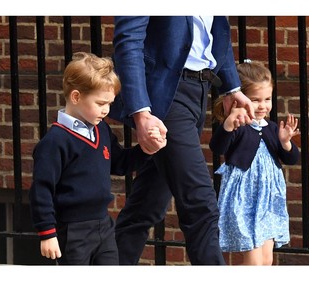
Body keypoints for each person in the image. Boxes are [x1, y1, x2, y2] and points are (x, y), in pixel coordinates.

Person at [109, 16, 255, 265]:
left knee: (147, 205)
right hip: (165, 96)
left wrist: (231, 87)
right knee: (200, 205)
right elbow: (129, 40)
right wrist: (141, 112)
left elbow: (218, 30)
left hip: (199, 91)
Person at [29, 52, 165, 265]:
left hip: (104, 224)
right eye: (101, 103)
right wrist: (47, 233)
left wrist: (146, 149)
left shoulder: (101, 129)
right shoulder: (55, 142)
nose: (106, 110)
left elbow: (120, 163)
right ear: (76, 97)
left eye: (110, 103)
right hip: (72, 230)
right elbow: (41, 190)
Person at [209, 60, 300, 265]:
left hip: (268, 200)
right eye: (256, 99)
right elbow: (217, 147)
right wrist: (228, 124)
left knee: (266, 261)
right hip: (245, 198)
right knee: (254, 263)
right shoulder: (238, 125)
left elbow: (292, 159)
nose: (263, 105)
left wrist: (285, 142)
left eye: (267, 99)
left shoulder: (272, 127)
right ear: (239, 99)